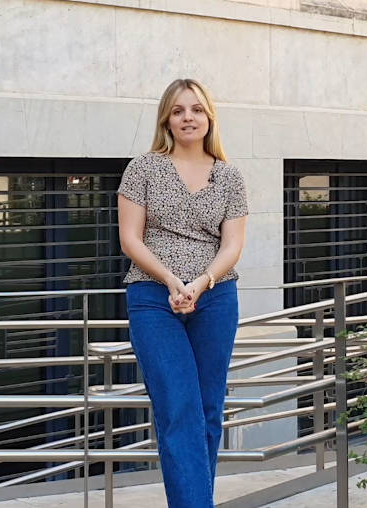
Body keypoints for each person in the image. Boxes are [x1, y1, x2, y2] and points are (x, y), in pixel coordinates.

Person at [117, 78, 248, 508]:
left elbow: (232, 246)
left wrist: (201, 282)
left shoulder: (229, 177)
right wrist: (172, 280)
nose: (188, 117)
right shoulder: (143, 168)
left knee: (208, 412)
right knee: (179, 410)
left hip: (215, 298)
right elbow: (130, 240)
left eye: (195, 109)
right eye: (178, 110)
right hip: (154, 300)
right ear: (166, 120)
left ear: (209, 117)